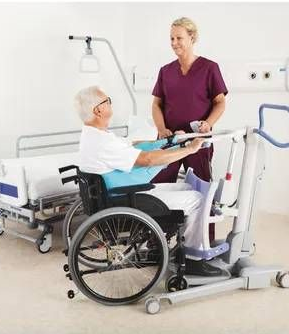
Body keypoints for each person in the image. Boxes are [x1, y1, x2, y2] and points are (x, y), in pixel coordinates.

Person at [74, 85, 223, 276]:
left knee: (184, 186)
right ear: (98, 110)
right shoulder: (103, 142)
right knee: (197, 198)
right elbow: (147, 159)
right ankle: (193, 260)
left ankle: (176, 246)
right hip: (127, 199)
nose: (110, 103)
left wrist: (171, 142)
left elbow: (132, 145)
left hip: (119, 194)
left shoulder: (95, 135)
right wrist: (189, 149)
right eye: (107, 101)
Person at [151, 17, 228, 183]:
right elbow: (157, 104)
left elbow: (220, 102)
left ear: (192, 38)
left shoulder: (209, 68)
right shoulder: (165, 71)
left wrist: (208, 123)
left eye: (179, 38)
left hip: (198, 138)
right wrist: (161, 128)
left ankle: (207, 210)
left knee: (200, 186)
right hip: (170, 139)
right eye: (171, 38)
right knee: (159, 185)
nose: (174, 42)